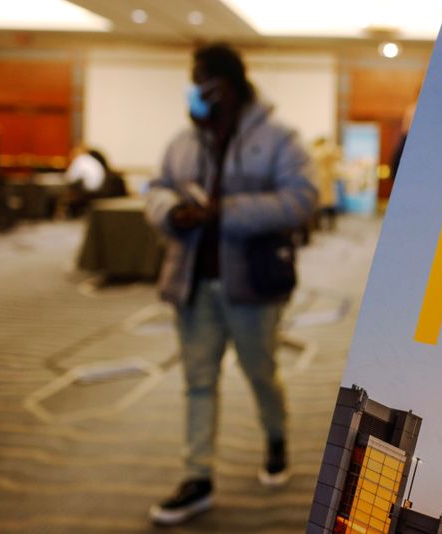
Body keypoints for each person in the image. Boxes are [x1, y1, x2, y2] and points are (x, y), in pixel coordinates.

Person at [144, 42, 317, 526]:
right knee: (198, 381)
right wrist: (172, 211)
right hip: (192, 282)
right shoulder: (183, 141)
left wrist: (228, 212)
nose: (197, 92)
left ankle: (276, 436)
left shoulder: (278, 138)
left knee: (259, 371)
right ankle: (197, 476)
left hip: (253, 285)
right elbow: (155, 188)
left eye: (205, 82)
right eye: (193, 81)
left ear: (230, 86)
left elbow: (303, 198)